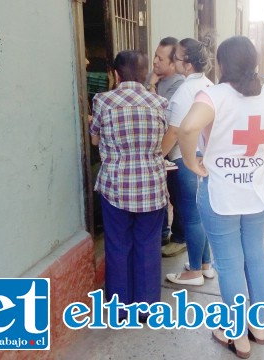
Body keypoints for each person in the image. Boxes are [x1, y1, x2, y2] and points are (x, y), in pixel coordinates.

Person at [178, 36, 264, 358]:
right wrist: (263, 183)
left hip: (221, 193)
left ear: (222, 64)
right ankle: (259, 326)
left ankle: (236, 335)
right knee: (255, 255)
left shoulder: (213, 96)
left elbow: (186, 129)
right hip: (257, 191)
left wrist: (193, 163)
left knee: (230, 264)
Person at [90, 50, 168, 322]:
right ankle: (146, 308)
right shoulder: (159, 103)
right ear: (146, 73)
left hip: (116, 186)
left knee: (117, 245)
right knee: (148, 245)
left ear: (115, 73)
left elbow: (95, 141)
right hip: (151, 185)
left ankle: (120, 310)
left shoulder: (103, 101)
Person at [163, 38, 214, 286]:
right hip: (206, 158)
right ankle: (205, 264)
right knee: (201, 215)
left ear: (188, 64)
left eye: (177, 57)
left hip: (187, 159)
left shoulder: (185, 91)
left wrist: (155, 155)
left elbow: (174, 132)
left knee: (191, 217)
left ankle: (194, 271)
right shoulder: (208, 85)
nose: (174, 61)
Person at [145, 37, 187, 257]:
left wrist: (151, 85)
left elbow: (158, 112)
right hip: (153, 147)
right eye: (155, 56)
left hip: (173, 150)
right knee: (159, 193)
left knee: (177, 195)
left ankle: (180, 238)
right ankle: (162, 234)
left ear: (173, 63)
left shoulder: (179, 85)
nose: (155, 61)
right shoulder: (152, 79)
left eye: (160, 58)